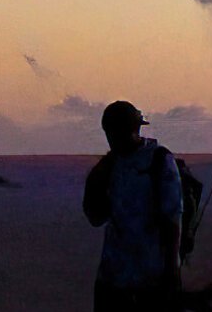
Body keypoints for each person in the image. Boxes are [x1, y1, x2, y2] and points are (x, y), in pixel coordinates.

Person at [83, 101, 181, 311]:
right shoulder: (110, 165)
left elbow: (172, 219)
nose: (112, 140)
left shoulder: (159, 160)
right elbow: (95, 216)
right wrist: (98, 179)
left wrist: (172, 270)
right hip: (112, 278)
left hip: (152, 277)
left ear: (134, 130)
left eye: (117, 132)